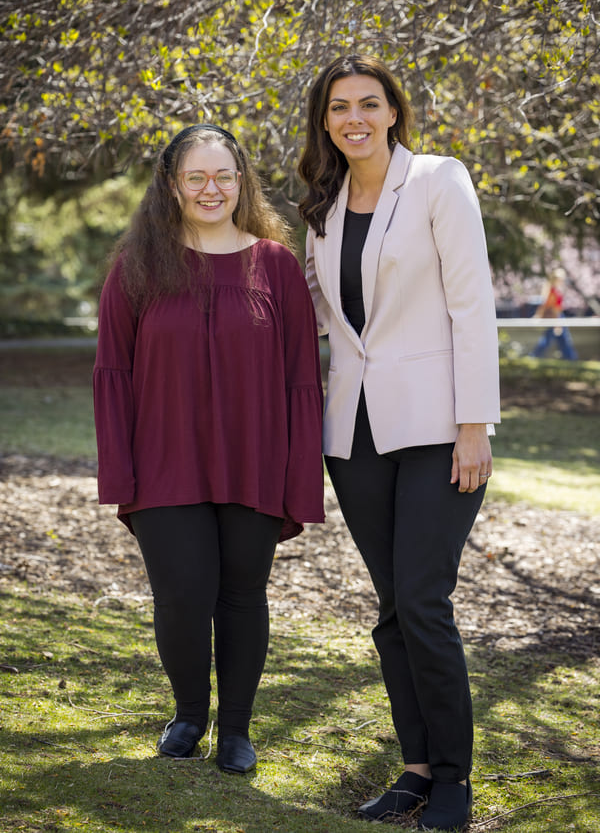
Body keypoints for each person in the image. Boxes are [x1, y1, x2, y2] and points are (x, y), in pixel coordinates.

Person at [298, 56, 500, 831]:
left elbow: (471, 306)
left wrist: (474, 424)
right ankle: (415, 769)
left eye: (369, 104)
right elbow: (321, 319)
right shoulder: (322, 207)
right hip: (353, 433)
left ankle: (453, 778)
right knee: (392, 609)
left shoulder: (440, 181)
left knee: (423, 599)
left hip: (440, 428)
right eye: (339, 107)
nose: (355, 118)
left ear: (392, 112)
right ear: (325, 121)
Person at [93, 123, 324, 773]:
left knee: (243, 595)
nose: (211, 188)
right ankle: (190, 713)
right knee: (182, 596)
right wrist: (120, 470)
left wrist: (299, 476)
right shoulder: (138, 264)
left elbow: (301, 378)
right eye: (196, 176)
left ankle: (237, 732)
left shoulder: (275, 266)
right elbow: (112, 371)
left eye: (223, 175)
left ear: (242, 181)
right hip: (163, 463)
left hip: (255, 461)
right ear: (172, 185)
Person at [530, 268, 578, 360]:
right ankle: (534, 356)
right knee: (553, 340)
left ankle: (571, 359)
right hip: (556, 318)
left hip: (556, 317)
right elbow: (553, 309)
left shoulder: (551, 290)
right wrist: (557, 323)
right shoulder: (553, 292)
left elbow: (544, 305)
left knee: (560, 340)